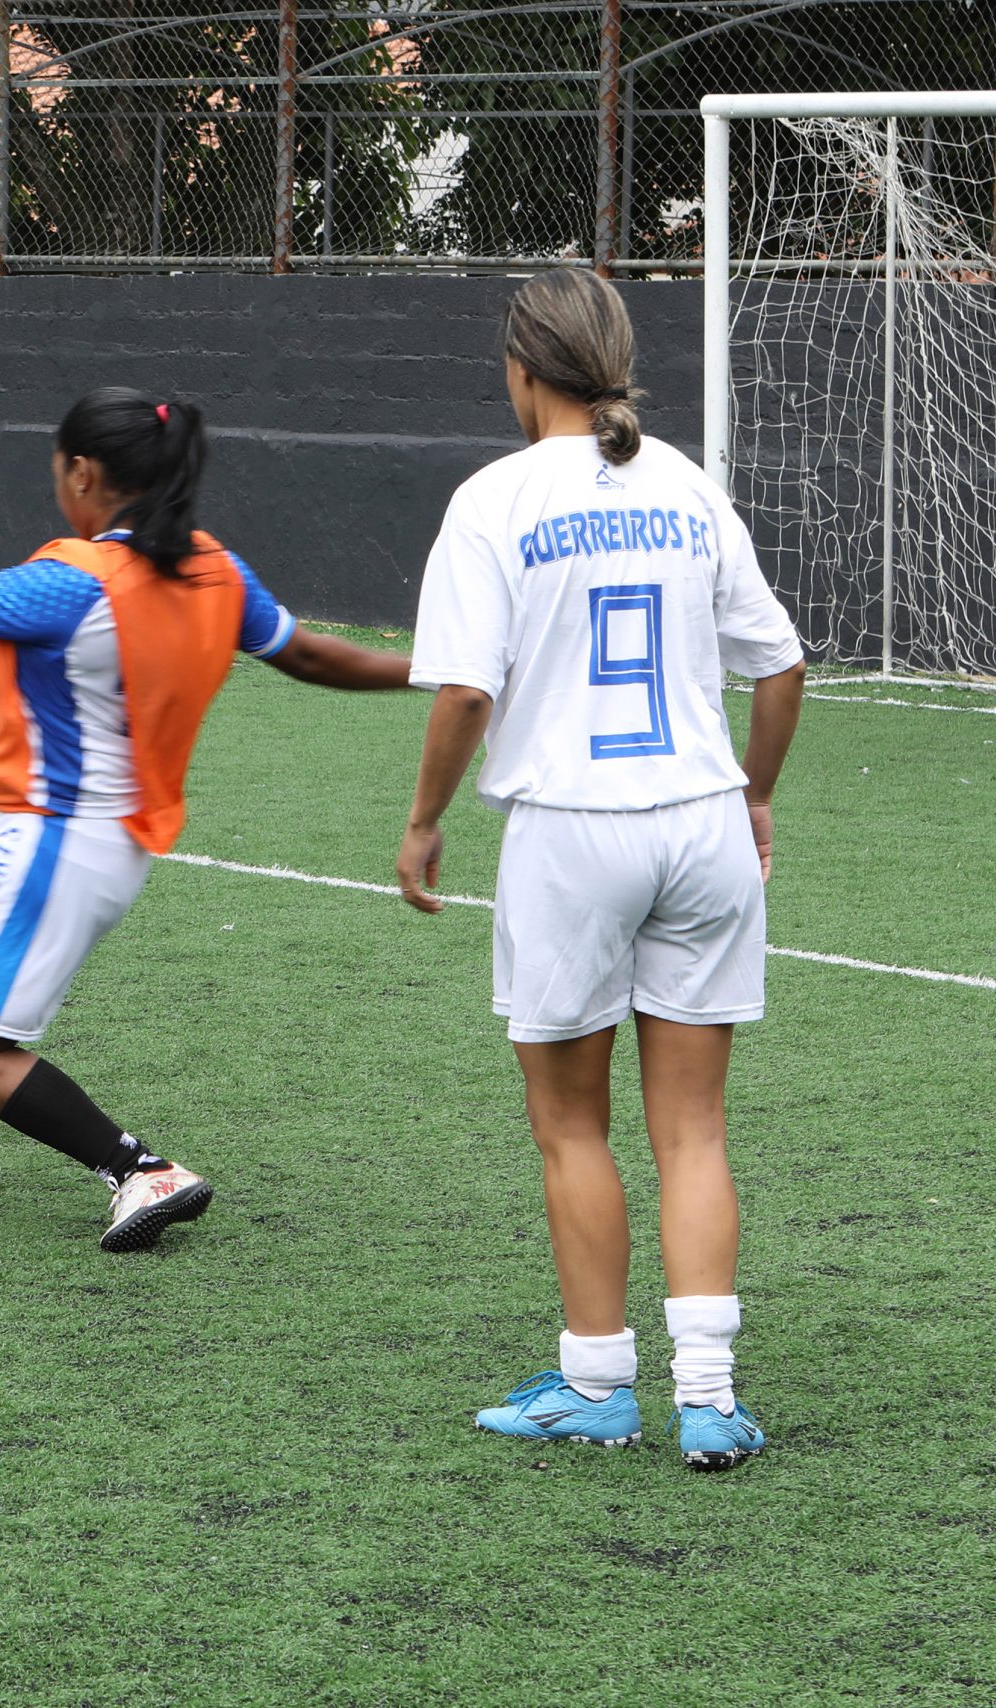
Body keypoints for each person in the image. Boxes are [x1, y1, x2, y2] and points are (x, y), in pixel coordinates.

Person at [394, 270, 804, 1472]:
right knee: (693, 1128)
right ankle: (713, 1400)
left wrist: (423, 820)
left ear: (522, 370)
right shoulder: (687, 484)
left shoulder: (492, 498)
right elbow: (778, 670)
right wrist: (758, 792)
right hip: (701, 824)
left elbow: (467, 689)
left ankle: (596, 1382)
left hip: (573, 830)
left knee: (571, 1125)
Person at [0, 390, 411, 1250]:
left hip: (55, 838)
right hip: (74, 835)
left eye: (56, 471)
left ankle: (139, 1169)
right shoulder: (213, 567)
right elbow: (307, 653)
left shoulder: (75, 580)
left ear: (82, 472)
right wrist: (432, 669)